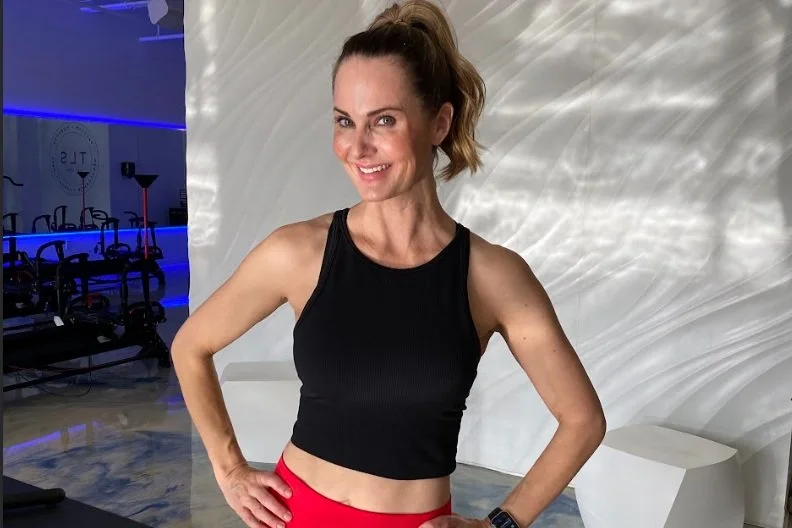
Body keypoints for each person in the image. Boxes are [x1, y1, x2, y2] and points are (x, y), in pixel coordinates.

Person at [171, 1, 606, 527]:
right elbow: (190, 346)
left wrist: (500, 525)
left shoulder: (492, 276)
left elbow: (582, 420)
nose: (357, 147)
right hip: (298, 515)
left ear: (439, 122)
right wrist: (230, 469)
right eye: (344, 121)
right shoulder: (298, 252)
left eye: (384, 120)